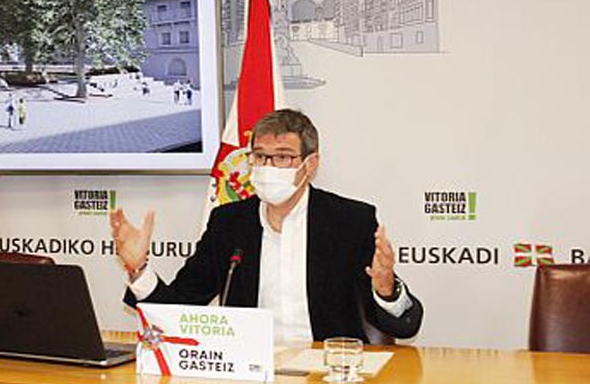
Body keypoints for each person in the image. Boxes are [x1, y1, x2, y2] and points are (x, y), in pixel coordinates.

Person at [110, 109, 423, 343]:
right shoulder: (229, 223)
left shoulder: (350, 222)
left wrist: (386, 289)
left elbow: (406, 326)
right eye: (260, 157)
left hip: (328, 374)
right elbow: (177, 309)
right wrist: (138, 270)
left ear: (310, 165)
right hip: (247, 372)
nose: (268, 167)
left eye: (283, 157)